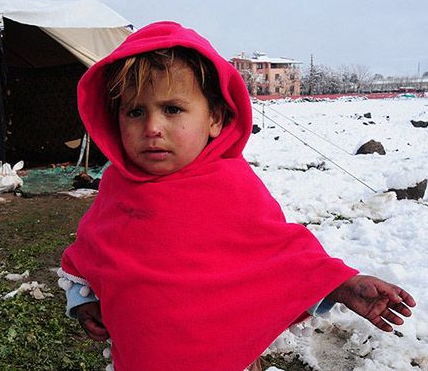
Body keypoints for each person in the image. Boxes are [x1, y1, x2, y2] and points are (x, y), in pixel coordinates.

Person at [58, 21, 415, 371]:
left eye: (172, 109)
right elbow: (92, 255)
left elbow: (280, 256)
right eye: (135, 112)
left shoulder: (231, 187)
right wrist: (84, 302)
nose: (152, 128)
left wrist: (341, 285)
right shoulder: (118, 190)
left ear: (214, 117)